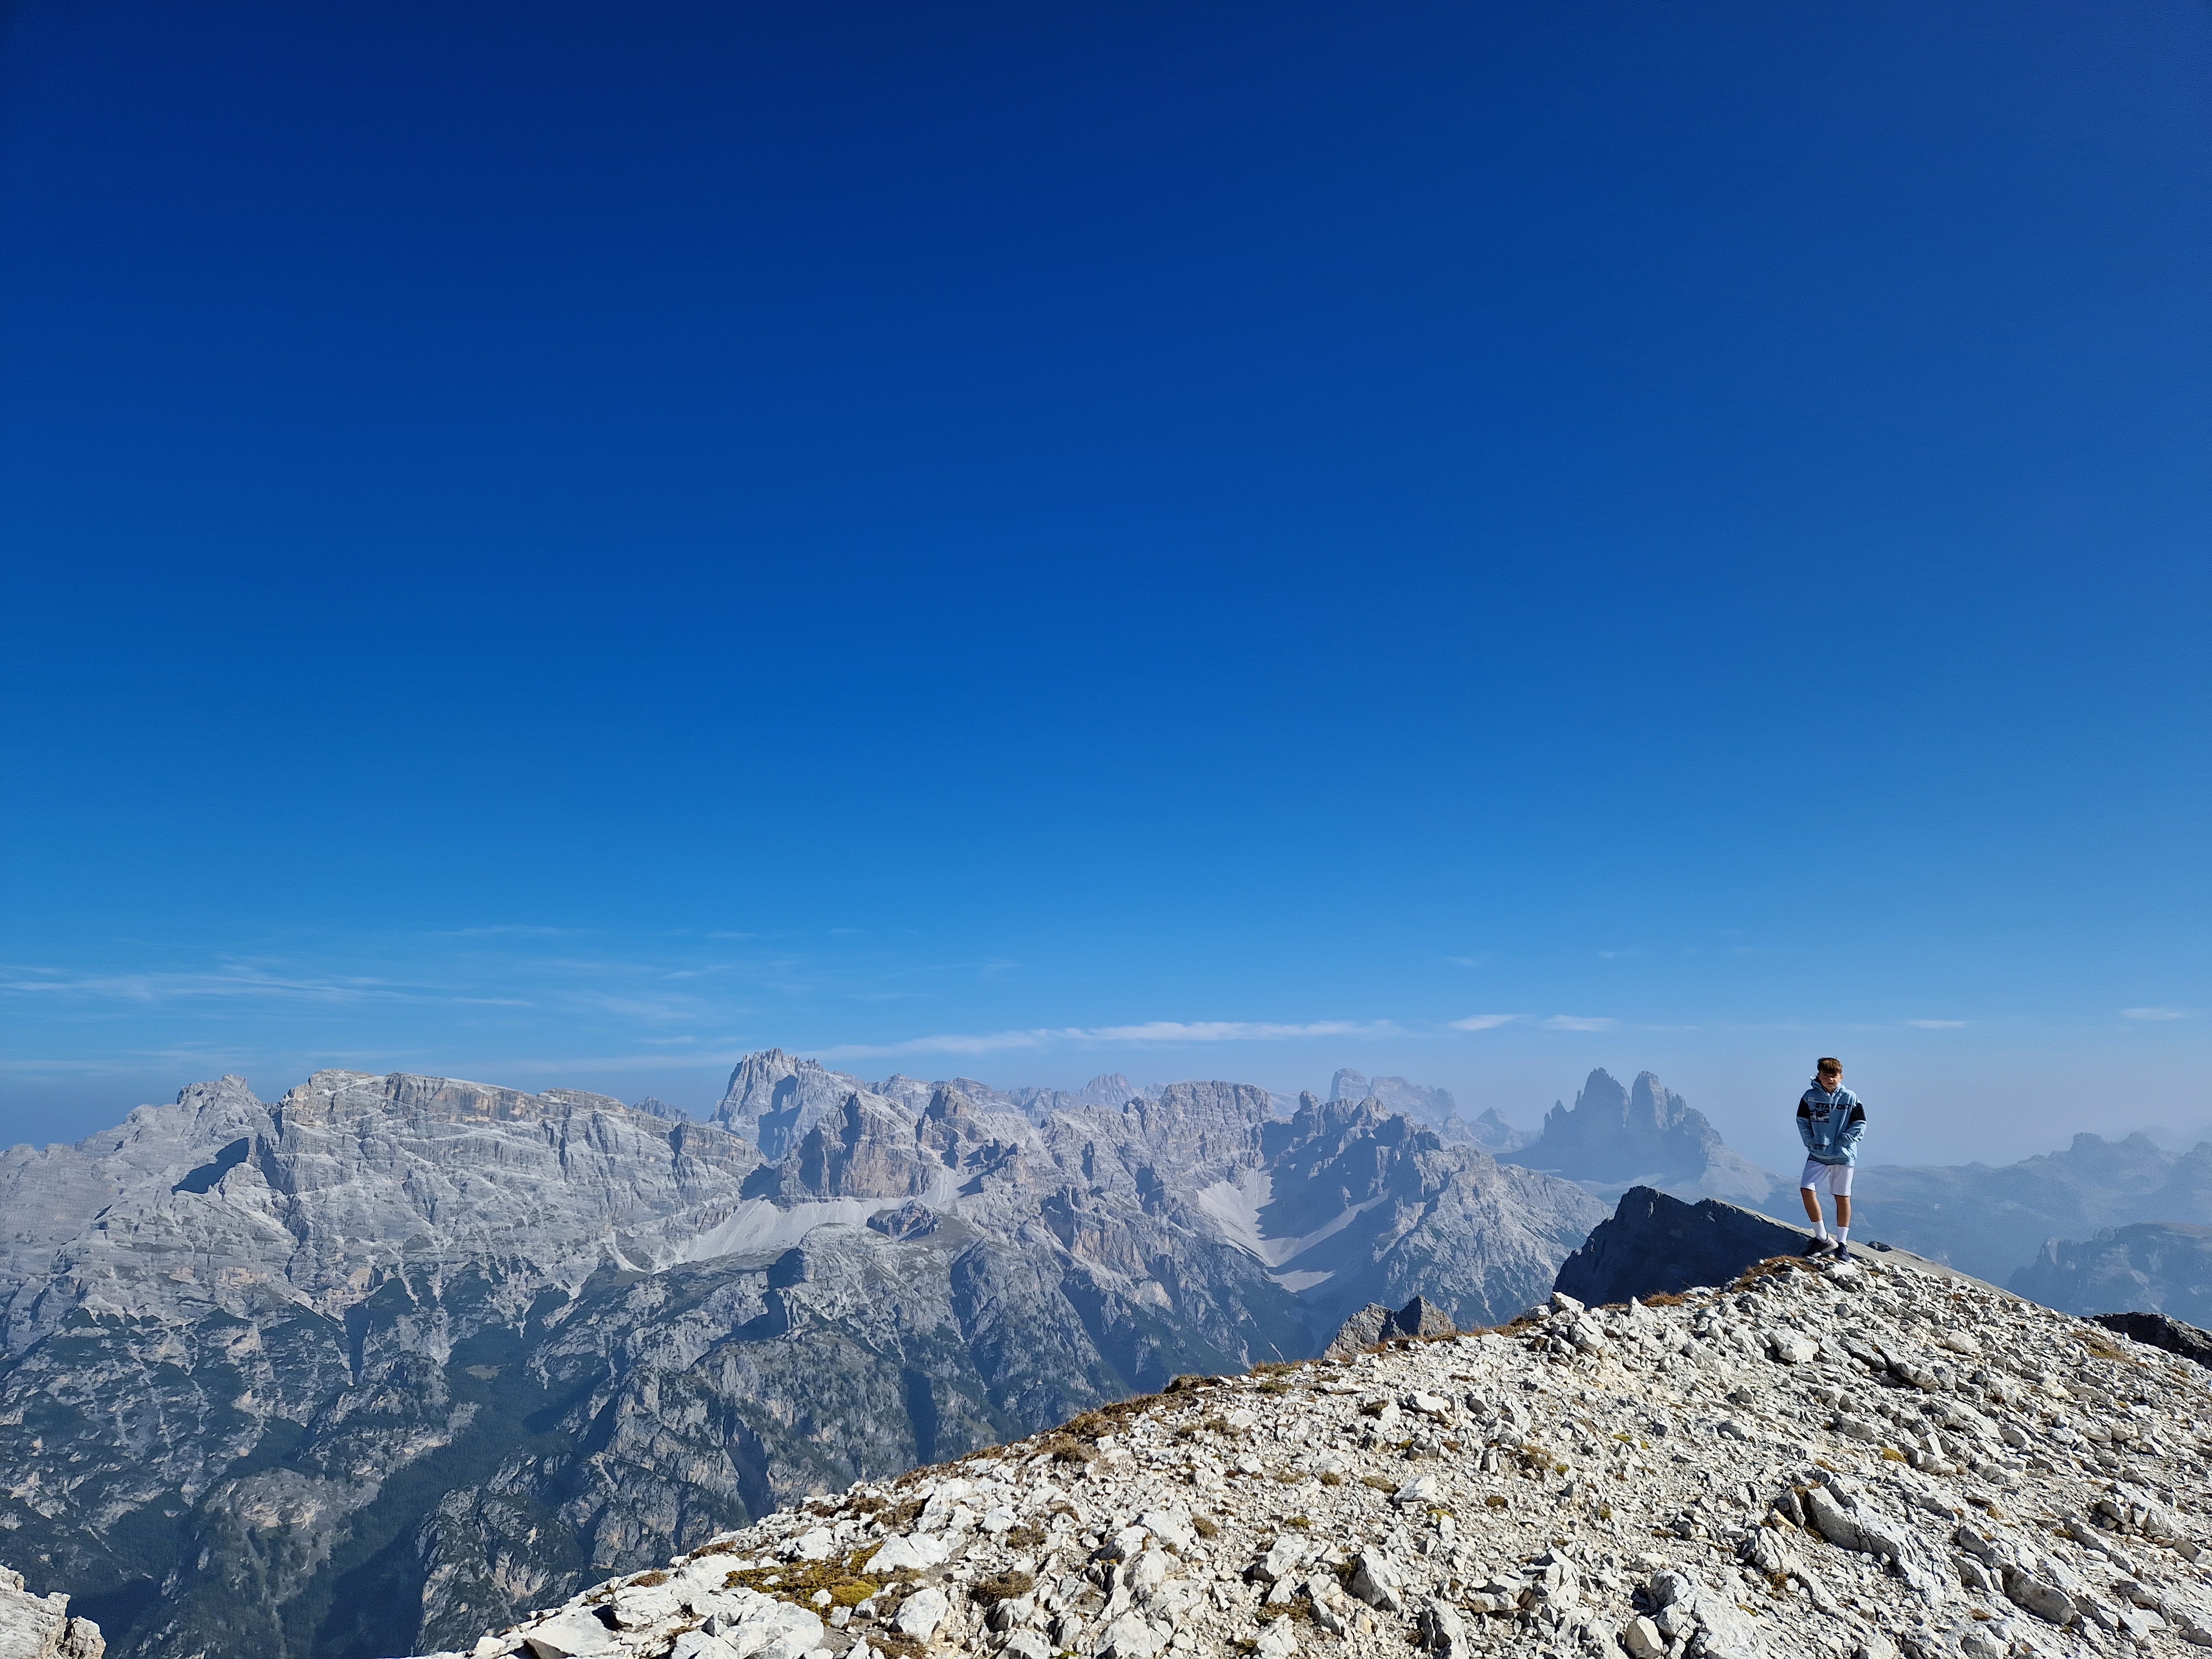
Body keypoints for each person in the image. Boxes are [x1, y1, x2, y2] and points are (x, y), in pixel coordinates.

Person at [1796, 1057, 1865, 1259]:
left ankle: (1842, 1244)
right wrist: (1810, 1142)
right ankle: (1823, 1238)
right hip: (1818, 1153)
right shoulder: (1809, 1097)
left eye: (1833, 1075)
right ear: (1819, 1076)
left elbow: (1860, 1123)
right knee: (1806, 1188)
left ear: (1841, 1076)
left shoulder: (1851, 1098)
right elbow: (1802, 1121)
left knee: (1842, 1197)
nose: (1830, 1079)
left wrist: (1846, 1140)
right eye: (1825, 1075)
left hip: (1844, 1156)